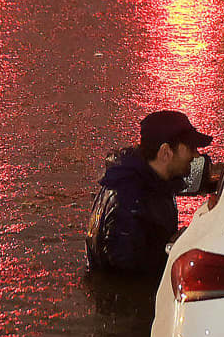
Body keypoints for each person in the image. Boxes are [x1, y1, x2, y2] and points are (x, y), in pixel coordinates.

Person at [86, 110, 212, 274]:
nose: (196, 154)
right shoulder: (129, 202)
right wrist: (176, 247)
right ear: (166, 152)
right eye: (190, 147)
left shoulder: (154, 181)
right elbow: (125, 274)